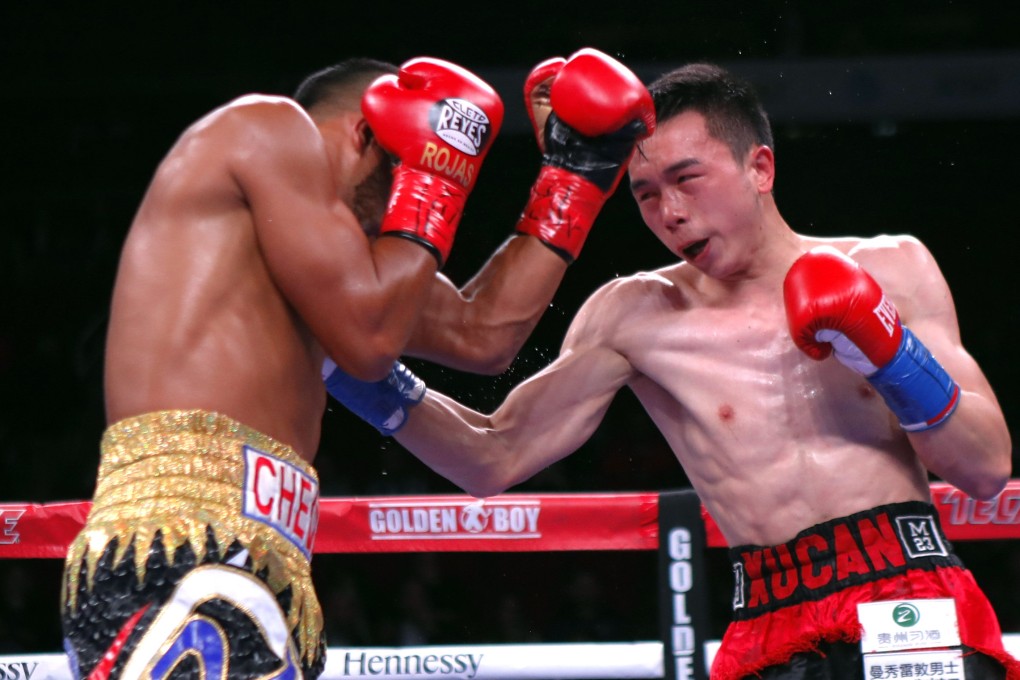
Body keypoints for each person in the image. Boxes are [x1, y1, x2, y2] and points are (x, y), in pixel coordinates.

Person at [328, 62, 1019, 679]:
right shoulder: (637, 314)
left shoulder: (892, 266)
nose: (671, 213)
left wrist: (889, 350)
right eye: (646, 194)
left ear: (760, 169)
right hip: (769, 626)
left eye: (687, 179)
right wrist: (340, 363)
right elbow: (493, 456)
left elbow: (985, 467)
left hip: (910, 599)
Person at [59, 50, 654, 680]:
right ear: (369, 131)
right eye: (402, 171)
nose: (404, 201)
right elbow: (371, 346)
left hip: (272, 565)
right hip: (178, 543)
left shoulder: (335, 265)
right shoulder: (265, 128)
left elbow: (483, 336)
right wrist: (436, 180)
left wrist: (572, 179)